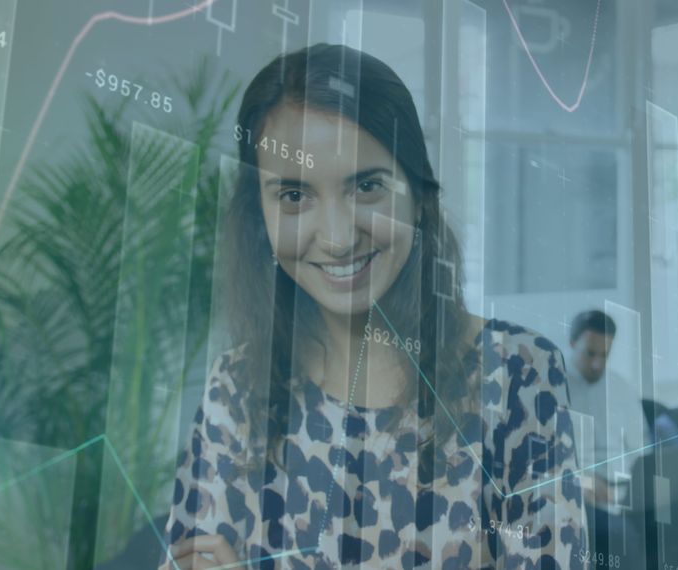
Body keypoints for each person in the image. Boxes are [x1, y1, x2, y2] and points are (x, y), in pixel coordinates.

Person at [162, 44, 586, 569]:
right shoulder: (236, 388)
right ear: (260, 217)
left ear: (417, 192)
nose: (338, 239)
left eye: (367, 186)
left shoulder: (519, 375)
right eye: (294, 195)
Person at [563, 310, 647, 562]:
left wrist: (637, 486)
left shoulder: (621, 388)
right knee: (621, 536)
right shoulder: (551, 387)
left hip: (624, 489)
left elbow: (641, 447)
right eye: (590, 354)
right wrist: (583, 481)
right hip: (581, 491)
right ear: (573, 343)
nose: (597, 364)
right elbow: (545, 460)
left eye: (605, 355)